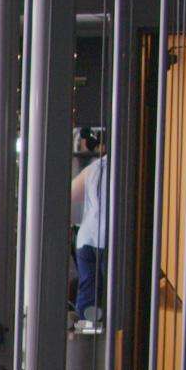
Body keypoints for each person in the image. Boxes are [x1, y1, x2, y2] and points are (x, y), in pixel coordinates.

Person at [70, 130, 108, 320]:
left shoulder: (94, 168)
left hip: (86, 239)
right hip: (108, 240)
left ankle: (86, 326)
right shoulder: (126, 169)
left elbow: (71, 194)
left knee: (88, 287)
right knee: (109, 292)